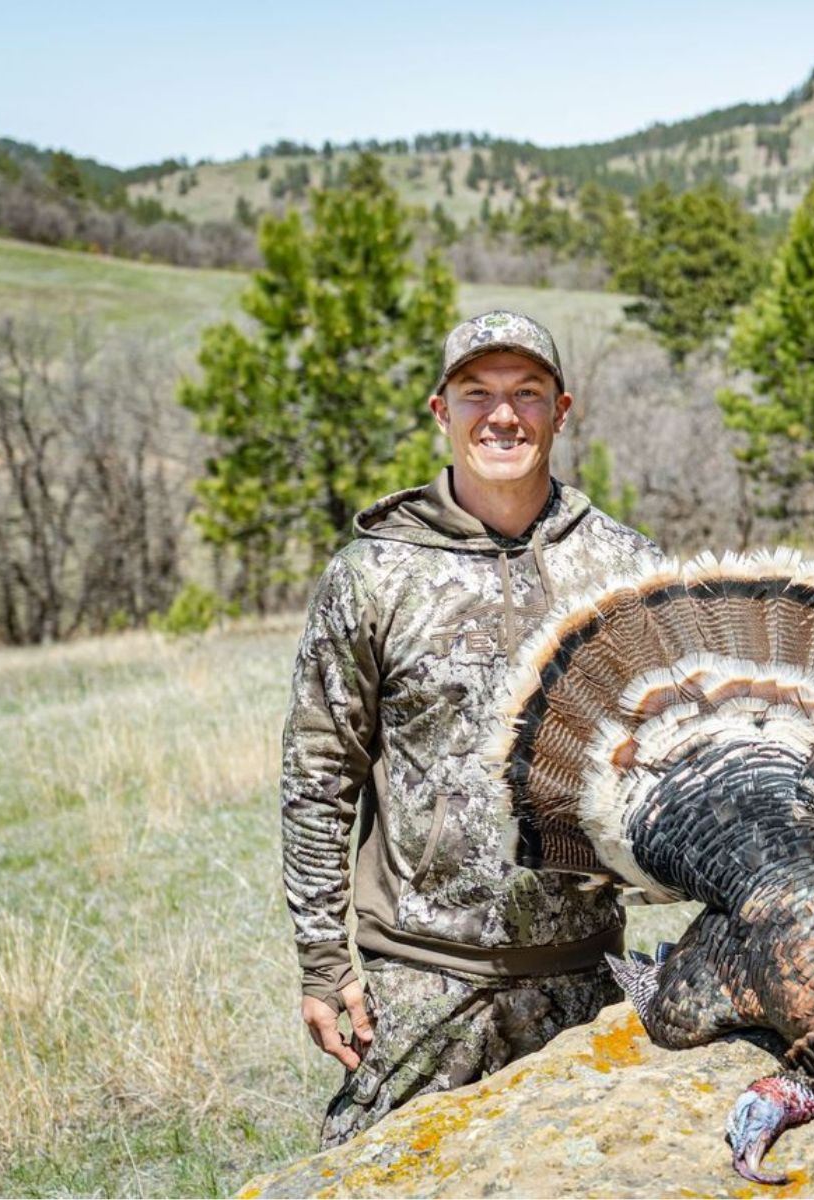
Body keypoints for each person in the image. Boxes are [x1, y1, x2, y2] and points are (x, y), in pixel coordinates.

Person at [280, 310, 658, 1147]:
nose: (502, 416)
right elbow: (318, 777)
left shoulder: (626, 567)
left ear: (561, 411)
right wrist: (323, 963)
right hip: (421, 979)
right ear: (440, 411)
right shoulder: (375, 574)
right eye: (476, 393)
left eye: (527, 393)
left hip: (585, 976)